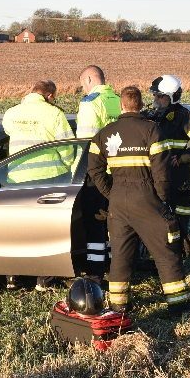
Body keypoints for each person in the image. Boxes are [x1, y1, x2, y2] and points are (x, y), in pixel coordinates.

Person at [87, 86, 190, 315]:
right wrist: (162, 201)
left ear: (122, 105)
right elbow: (162, 173)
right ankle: (179, 304)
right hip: (147, 199)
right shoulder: (152, 131)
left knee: (120, 256)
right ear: (141, 105)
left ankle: (119, 305)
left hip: (118, 201)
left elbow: (94, 171)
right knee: (166, 251)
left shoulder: (104, 133)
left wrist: (110, 194)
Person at [2, 79, 75, 290]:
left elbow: (8, 131)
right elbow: (68, 149)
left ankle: (12, 278)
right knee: (47, 231)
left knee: (17, 230)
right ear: (50, 96)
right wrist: (69, 166)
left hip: (16, 179)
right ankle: (44, 280)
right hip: (49, 178)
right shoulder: (54, 114)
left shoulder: (12, 113)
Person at [146, 75, 190, 255]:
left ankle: (182, 251)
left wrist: (183, 157)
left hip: (179, 178)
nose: (156, 100)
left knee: (179, 218)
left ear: (171, 97)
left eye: (160, 96)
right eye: (155, 96)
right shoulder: (152, 117)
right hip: (157, 176)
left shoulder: (184, 117)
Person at [75, 65, 121, 278]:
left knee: (95, 224)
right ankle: (116, 267)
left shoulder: (90, 103)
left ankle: (95, 272)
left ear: (91, 79)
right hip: (122, 171)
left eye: (83, 84)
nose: (83, 89)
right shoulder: (118, 100)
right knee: (117, 222)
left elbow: (85, 143)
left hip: (99, 172)